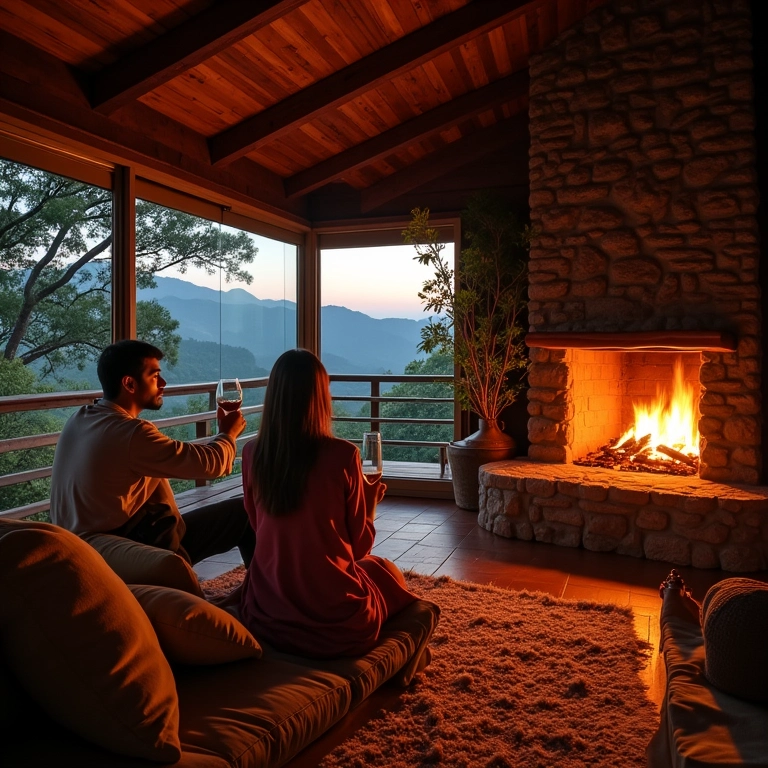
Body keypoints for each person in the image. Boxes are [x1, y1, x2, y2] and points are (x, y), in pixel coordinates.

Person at [239, 348, 417, 657]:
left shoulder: (253, 454)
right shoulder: (343, 456)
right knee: (385, 570)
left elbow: (259, 528)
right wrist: (370, 505)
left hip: (268, 615)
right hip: (336, 626)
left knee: (378, 571)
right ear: (320, 396)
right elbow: (360, 549)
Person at [50, 339, 254, 566]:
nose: (164, 383)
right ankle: (261, 596)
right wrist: (228, 434)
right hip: (132, 549)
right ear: (129, 383)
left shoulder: (80, 418)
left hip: (78, 544)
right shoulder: (131, 433)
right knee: (244, 513)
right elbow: (211, 465)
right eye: (155, 376)